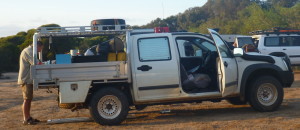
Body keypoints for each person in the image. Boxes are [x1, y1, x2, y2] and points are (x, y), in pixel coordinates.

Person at [18, 41, 43, 125]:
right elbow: (35, 63)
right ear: (37, 46)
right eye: (40, 48)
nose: (40, 51)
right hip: (26, 79)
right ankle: (26, 119)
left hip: (28, 79)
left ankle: (28, 117)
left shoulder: (30, 51)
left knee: (28, 99)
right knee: (27, 99)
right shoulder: (29, 51)